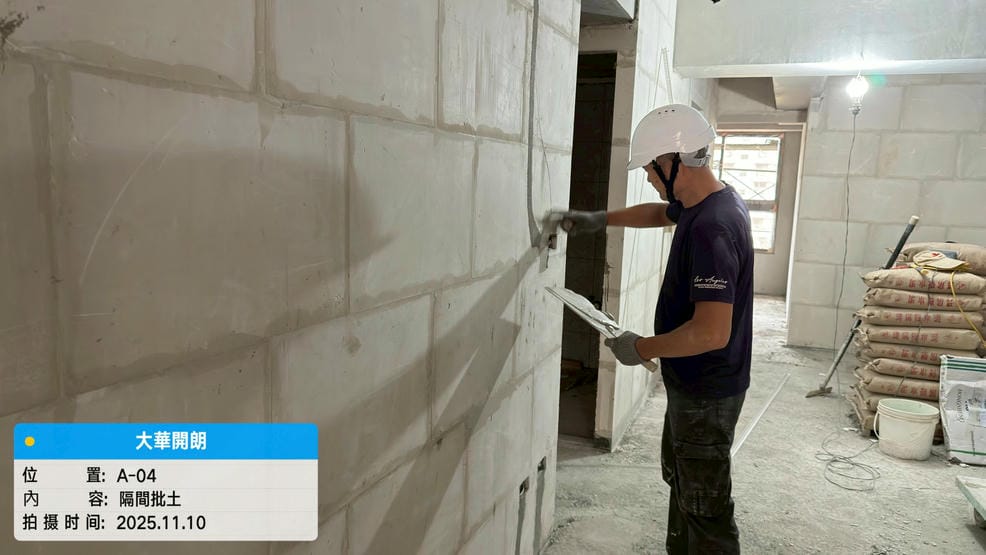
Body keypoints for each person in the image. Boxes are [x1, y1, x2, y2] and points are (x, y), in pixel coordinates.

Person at [559, 104, 753, 554]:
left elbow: (711, 332)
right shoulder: (708, 202)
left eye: (650, 167)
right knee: (683, 481)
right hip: (695, 384)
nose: (647, 176)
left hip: (707, 390)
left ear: (674, 161)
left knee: (704, 505)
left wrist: (641, 346)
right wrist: (600, 219)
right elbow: (660, 214)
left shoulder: (713, 228)